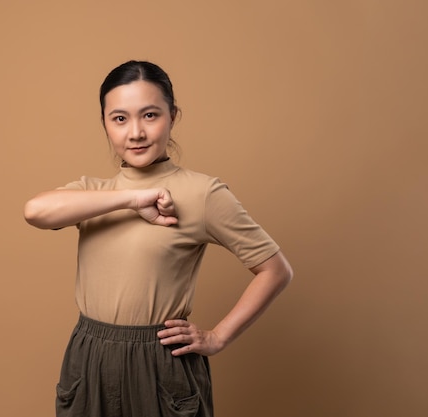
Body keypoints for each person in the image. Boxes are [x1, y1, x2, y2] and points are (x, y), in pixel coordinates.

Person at [24, 60, 293, 417]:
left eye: (149, 115)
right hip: (88, 354)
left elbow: (276, 270)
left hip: (159, 361)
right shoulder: (93, 194)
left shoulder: (202, 194)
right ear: (104, 124)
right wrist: (132, 199)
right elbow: (35, 211)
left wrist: (217, 337)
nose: (135, 133)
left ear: (173, 116)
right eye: (119, 119)